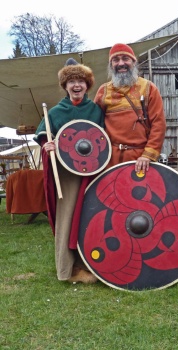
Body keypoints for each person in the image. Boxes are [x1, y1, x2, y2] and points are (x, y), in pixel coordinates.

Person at [34, 58, 105, 283]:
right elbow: (44, 135)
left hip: (91, 173)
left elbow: (103, 139)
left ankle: (89, 264)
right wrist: (48, 143)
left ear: (87, 85)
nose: (76, 85)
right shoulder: (56, 112)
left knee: (90, 217)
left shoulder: (95, 110)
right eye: (72, 81)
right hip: (67, 175)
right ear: (65, 86)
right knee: (67, 218)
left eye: (81, 81)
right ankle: (67, 270)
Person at [94, 43, 166, 174]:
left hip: (140, 161)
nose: (121, 63)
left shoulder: (149, 88)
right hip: (109, 160)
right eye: (116, 60)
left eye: (125, 59)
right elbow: (94, 126)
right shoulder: (103, 91)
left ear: (134, 62)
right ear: (111, 65)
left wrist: (147, 155)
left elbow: (158, 124)